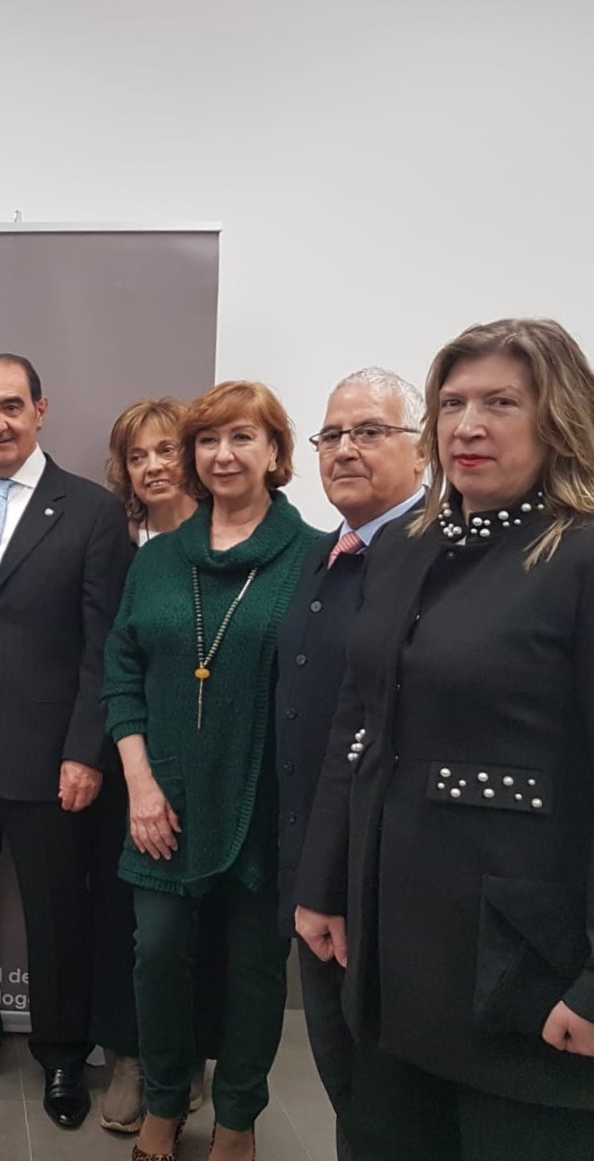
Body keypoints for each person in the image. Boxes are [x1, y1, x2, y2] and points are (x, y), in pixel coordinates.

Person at [296, 319, 594, 1161]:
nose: (468, 425)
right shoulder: (404, 548)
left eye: (501, 402)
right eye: (452, 403)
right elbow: (355, 725)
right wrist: (322, 882)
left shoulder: (579, 556)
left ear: (557, 416)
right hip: (391, 953)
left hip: (523, 967)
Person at [0, 354, 131, 1132]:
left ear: (41, 409)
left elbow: (102, 646)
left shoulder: (93, 511)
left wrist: (84, 748)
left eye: (11, 405)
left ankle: (64, 1055)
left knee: (54, 915)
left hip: (50, 757)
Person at [103, 380, 319, 1161]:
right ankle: (164, 1103)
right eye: (207, 440)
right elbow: (120, 671)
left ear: (274, 452)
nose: (221, 454)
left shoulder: (315, 557)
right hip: (160, 801)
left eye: (241, 438)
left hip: (264, 802)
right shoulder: (159, 559)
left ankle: (236, 1118)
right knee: (157, 956)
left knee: (255, 968)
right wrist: (139, 783)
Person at [275, 367, 424, 1161]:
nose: (343, 450)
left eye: (369, 431)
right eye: (331, 434)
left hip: (384, 881)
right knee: (346, 1083)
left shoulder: (431, 557)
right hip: (314, 870)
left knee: (385, 1097)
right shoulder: (324, 555)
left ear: (420, 449)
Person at [104, 396, 219, 1125]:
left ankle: (194, 1060)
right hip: (123, 759)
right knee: (132, 929)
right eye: (136, 454)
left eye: (163, 450)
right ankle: (132, 1056)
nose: (150, 466)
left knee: (204, 928)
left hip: (205, 768)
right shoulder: (125, 549)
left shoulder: (237, 539)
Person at [107, 398, 196, 544]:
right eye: (137, 458)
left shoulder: (224, 531)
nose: (153, 467)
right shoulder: (119, 540)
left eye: (167, 451)